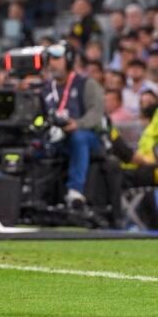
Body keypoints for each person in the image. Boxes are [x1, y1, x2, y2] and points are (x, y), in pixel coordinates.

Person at [41, 41, 105, 209]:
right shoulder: (45, 88)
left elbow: (96, 113)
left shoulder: (86, 83)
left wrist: (78, 123)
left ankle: (75, 190)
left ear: (68, 60)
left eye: (56, 59)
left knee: (78, 138)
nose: (51, 63)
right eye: (50, 60)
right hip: (57, 136)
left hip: (88, 137)